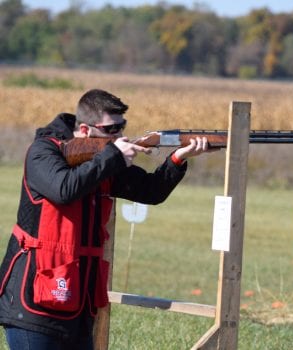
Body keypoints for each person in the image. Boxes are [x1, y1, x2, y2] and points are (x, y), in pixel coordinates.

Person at [0, 89, 210, 350]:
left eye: (122, 127)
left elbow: (150, 191)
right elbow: (64, 189)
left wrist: (178, 158)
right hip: (33, 305)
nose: (120, 135)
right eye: (112, 129)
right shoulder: (42, 152)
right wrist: (112, 157)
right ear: (86, 130)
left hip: (79, 306)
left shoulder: (107, 161)